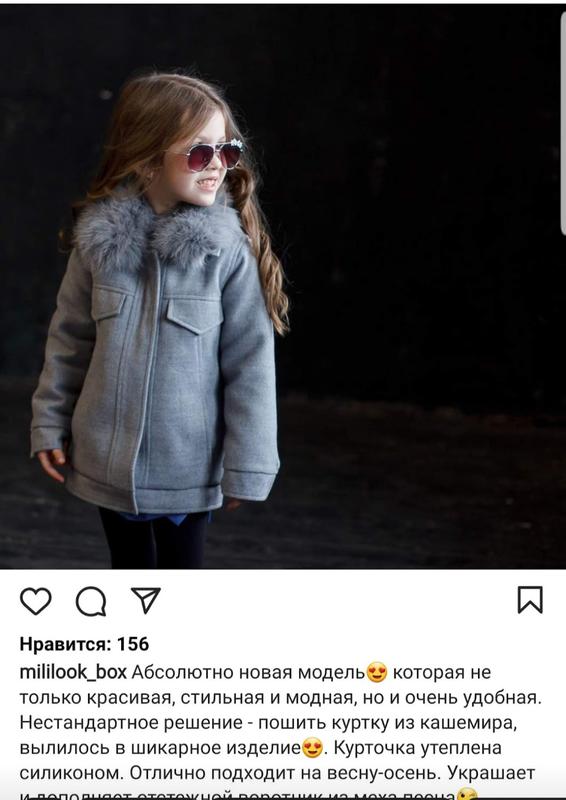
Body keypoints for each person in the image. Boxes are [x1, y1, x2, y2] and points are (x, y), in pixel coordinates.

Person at [29, 70, 290, 569]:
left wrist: (249, 466)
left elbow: (251, 367)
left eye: (227, 151)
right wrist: (48, 423)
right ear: (147, 159)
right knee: (128, 572)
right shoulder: (98, 246)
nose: (217, 166)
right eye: (199, 153)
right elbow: (69, 342)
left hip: (187, 469)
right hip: (105, 462)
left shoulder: (226, 254)